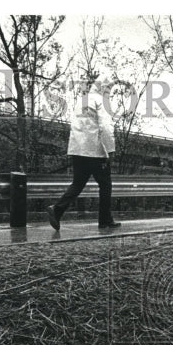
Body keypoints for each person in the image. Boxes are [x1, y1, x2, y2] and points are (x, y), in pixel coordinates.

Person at [47, 71, 119, 231]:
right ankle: (105, 220)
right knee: (105, 185)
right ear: (105, 88)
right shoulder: (101, 102)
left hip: (78, 150)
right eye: (109, 90)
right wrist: (111, 150)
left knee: (78, 184)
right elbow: (105, 127)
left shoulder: (83, 101)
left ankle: (57, 210)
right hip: (94, 151)